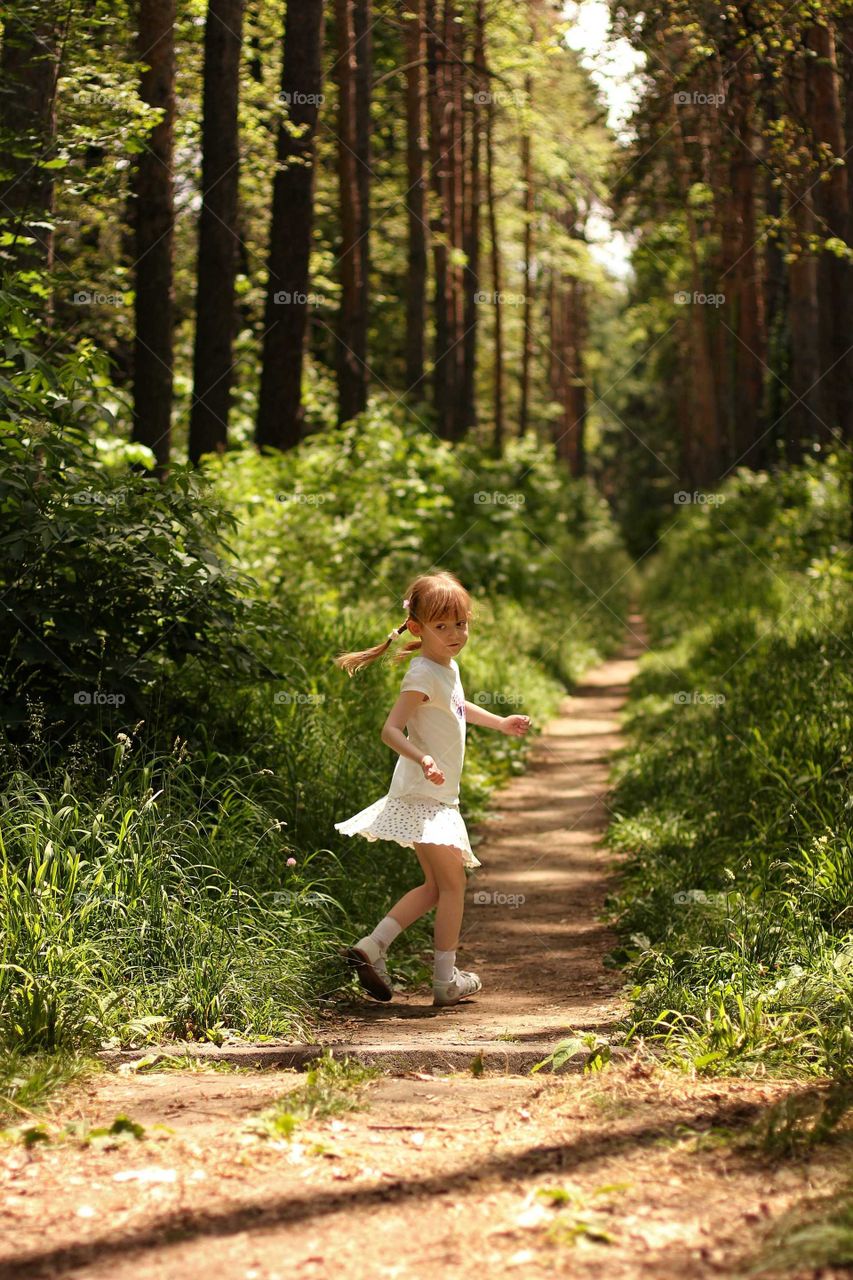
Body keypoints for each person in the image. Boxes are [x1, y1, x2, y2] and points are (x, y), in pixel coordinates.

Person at [332, 570, 531, 1007]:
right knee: (454, 886)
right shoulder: (421, 674)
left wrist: (498, 722)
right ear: (418, 629)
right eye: (442, 627)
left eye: (461, 624)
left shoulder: (446, 667)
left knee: (436, 887)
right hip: (426, 796)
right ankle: (445, 980)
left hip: (433, 797)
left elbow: (456, 706)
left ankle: (372, 946)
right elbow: (390, 730)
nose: (455, 634)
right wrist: (421, 757)